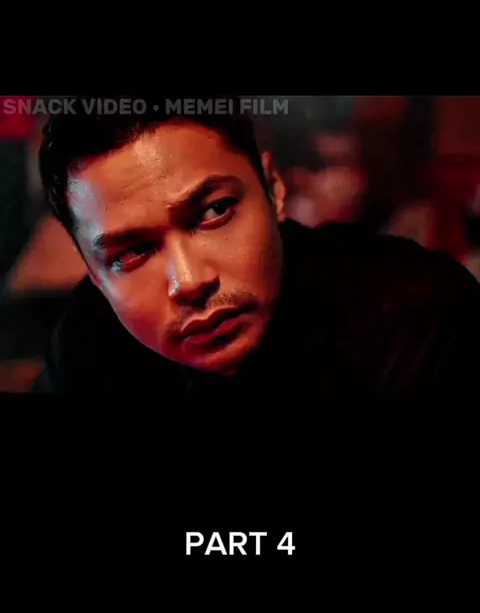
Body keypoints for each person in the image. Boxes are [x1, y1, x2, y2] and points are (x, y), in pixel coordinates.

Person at [36, 96, 480, 396]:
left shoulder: (417, 318)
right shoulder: (87, 340)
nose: (189, 281)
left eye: (215, 212)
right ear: (95, 275)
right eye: (132, 253)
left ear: (273, 189)